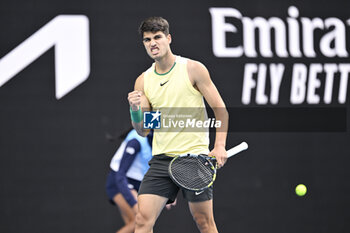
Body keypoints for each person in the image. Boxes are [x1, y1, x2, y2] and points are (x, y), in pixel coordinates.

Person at [127, 17, 229, 233]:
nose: (152, 43)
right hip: (162, 161)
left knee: (204, 222)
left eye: (157, 37)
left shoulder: (193, 69)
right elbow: (143, 130)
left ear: (168, 38)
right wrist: (134, 110)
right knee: (142, 220)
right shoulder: (143, 81)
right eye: (147, 40)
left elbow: (220, 109)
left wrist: (219, 145)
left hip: (194, 159)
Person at [105, 129, 153, 233]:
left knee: (136, 226)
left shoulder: (160, 143)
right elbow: (120, 176)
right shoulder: (136, 142)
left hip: (135, 184)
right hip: (120, 184)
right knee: (140, 221)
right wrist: (133, 203)